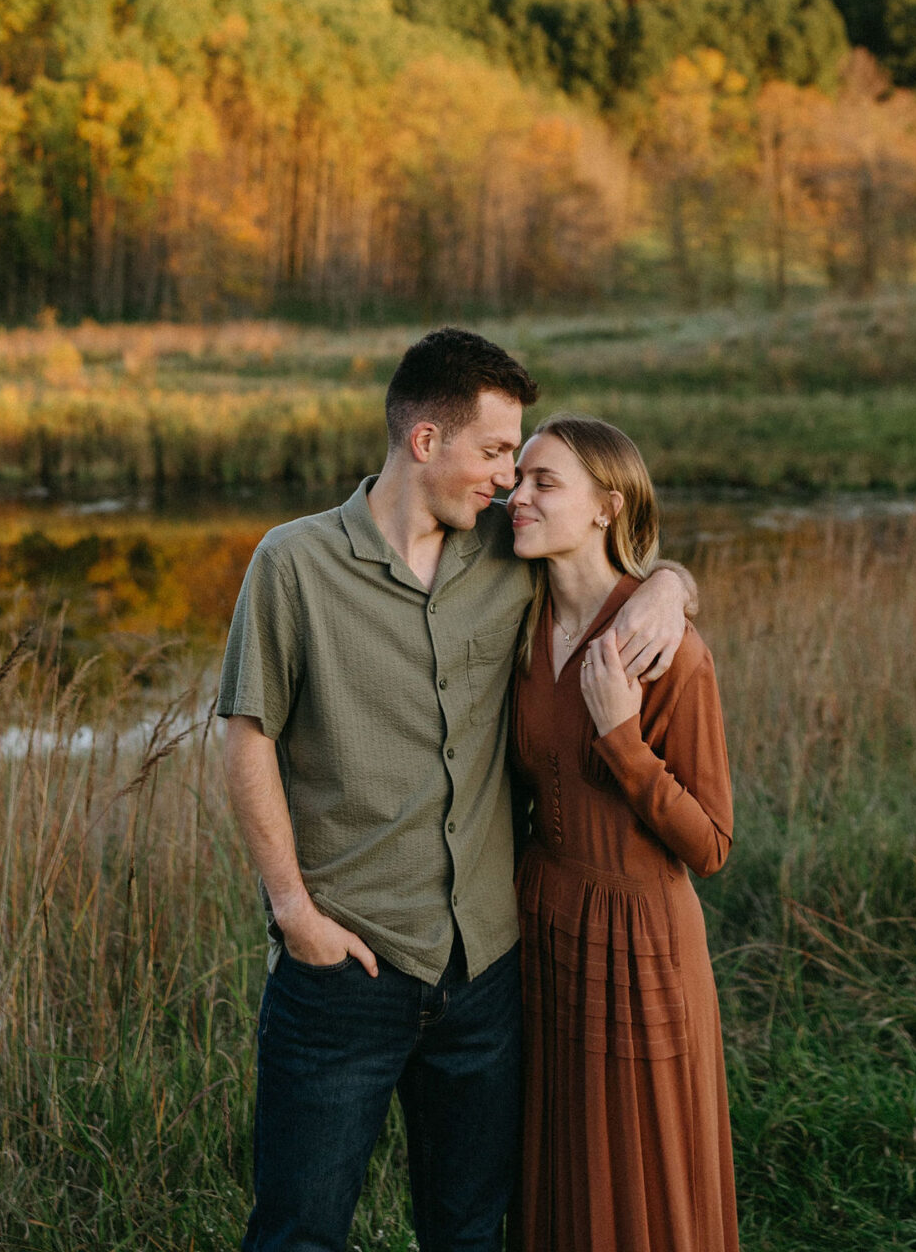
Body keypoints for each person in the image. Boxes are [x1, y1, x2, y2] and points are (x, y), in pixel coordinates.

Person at [217, 327, 698, 1252]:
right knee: (297, 1235)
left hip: (485, 974)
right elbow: (247, 740)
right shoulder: (292, 563)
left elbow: (608, 565)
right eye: (493, 453)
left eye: (516, 462)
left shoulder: (508, 554)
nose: (508, 480)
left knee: (470, 1234)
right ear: (425, 440)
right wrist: (294, 915)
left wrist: (669, 585)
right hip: (344, 973)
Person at [507, 413, 738, 1252]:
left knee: (642, 1166)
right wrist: (671, 575)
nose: (516, 496)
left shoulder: (667, 652)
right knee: (558, 1160)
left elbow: (710, 845)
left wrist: (621, 742)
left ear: (606, 507)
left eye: (543, 482)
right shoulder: (515, 621)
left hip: (640, 939)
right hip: (542, 923)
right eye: (516, 477)